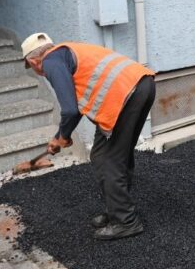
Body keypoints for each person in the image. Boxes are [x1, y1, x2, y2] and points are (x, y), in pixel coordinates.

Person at [22, 33, 156, 241]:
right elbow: (74, 109)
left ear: (33, 61)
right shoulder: (66, 52)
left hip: (124, 97)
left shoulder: (51, 62)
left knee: (109, 161)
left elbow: (69, 110)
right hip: (140, 86)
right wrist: (60, 136)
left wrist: (62, 136)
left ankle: (126, 221)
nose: (37, 72)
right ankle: (116, 209)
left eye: (31, 68)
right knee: (106, 155)